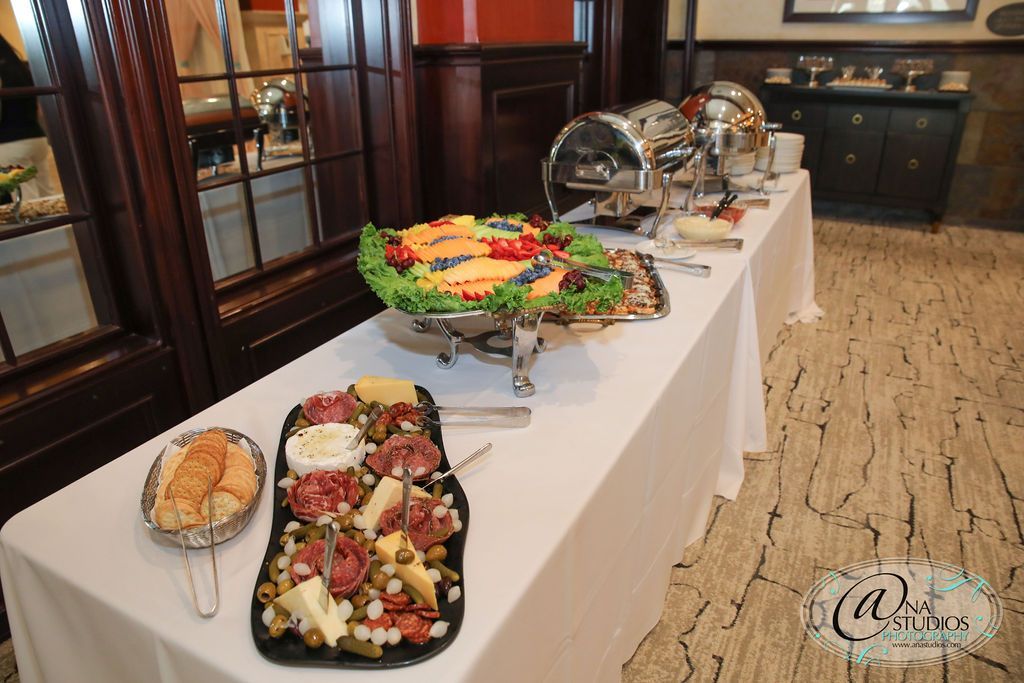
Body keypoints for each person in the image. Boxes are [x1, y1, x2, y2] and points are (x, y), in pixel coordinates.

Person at [0, 34, 62, 202]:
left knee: (26, 201)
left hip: (10, 145)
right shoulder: (21, 68)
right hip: (37, 138)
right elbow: (39, 107)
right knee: (48, 197)